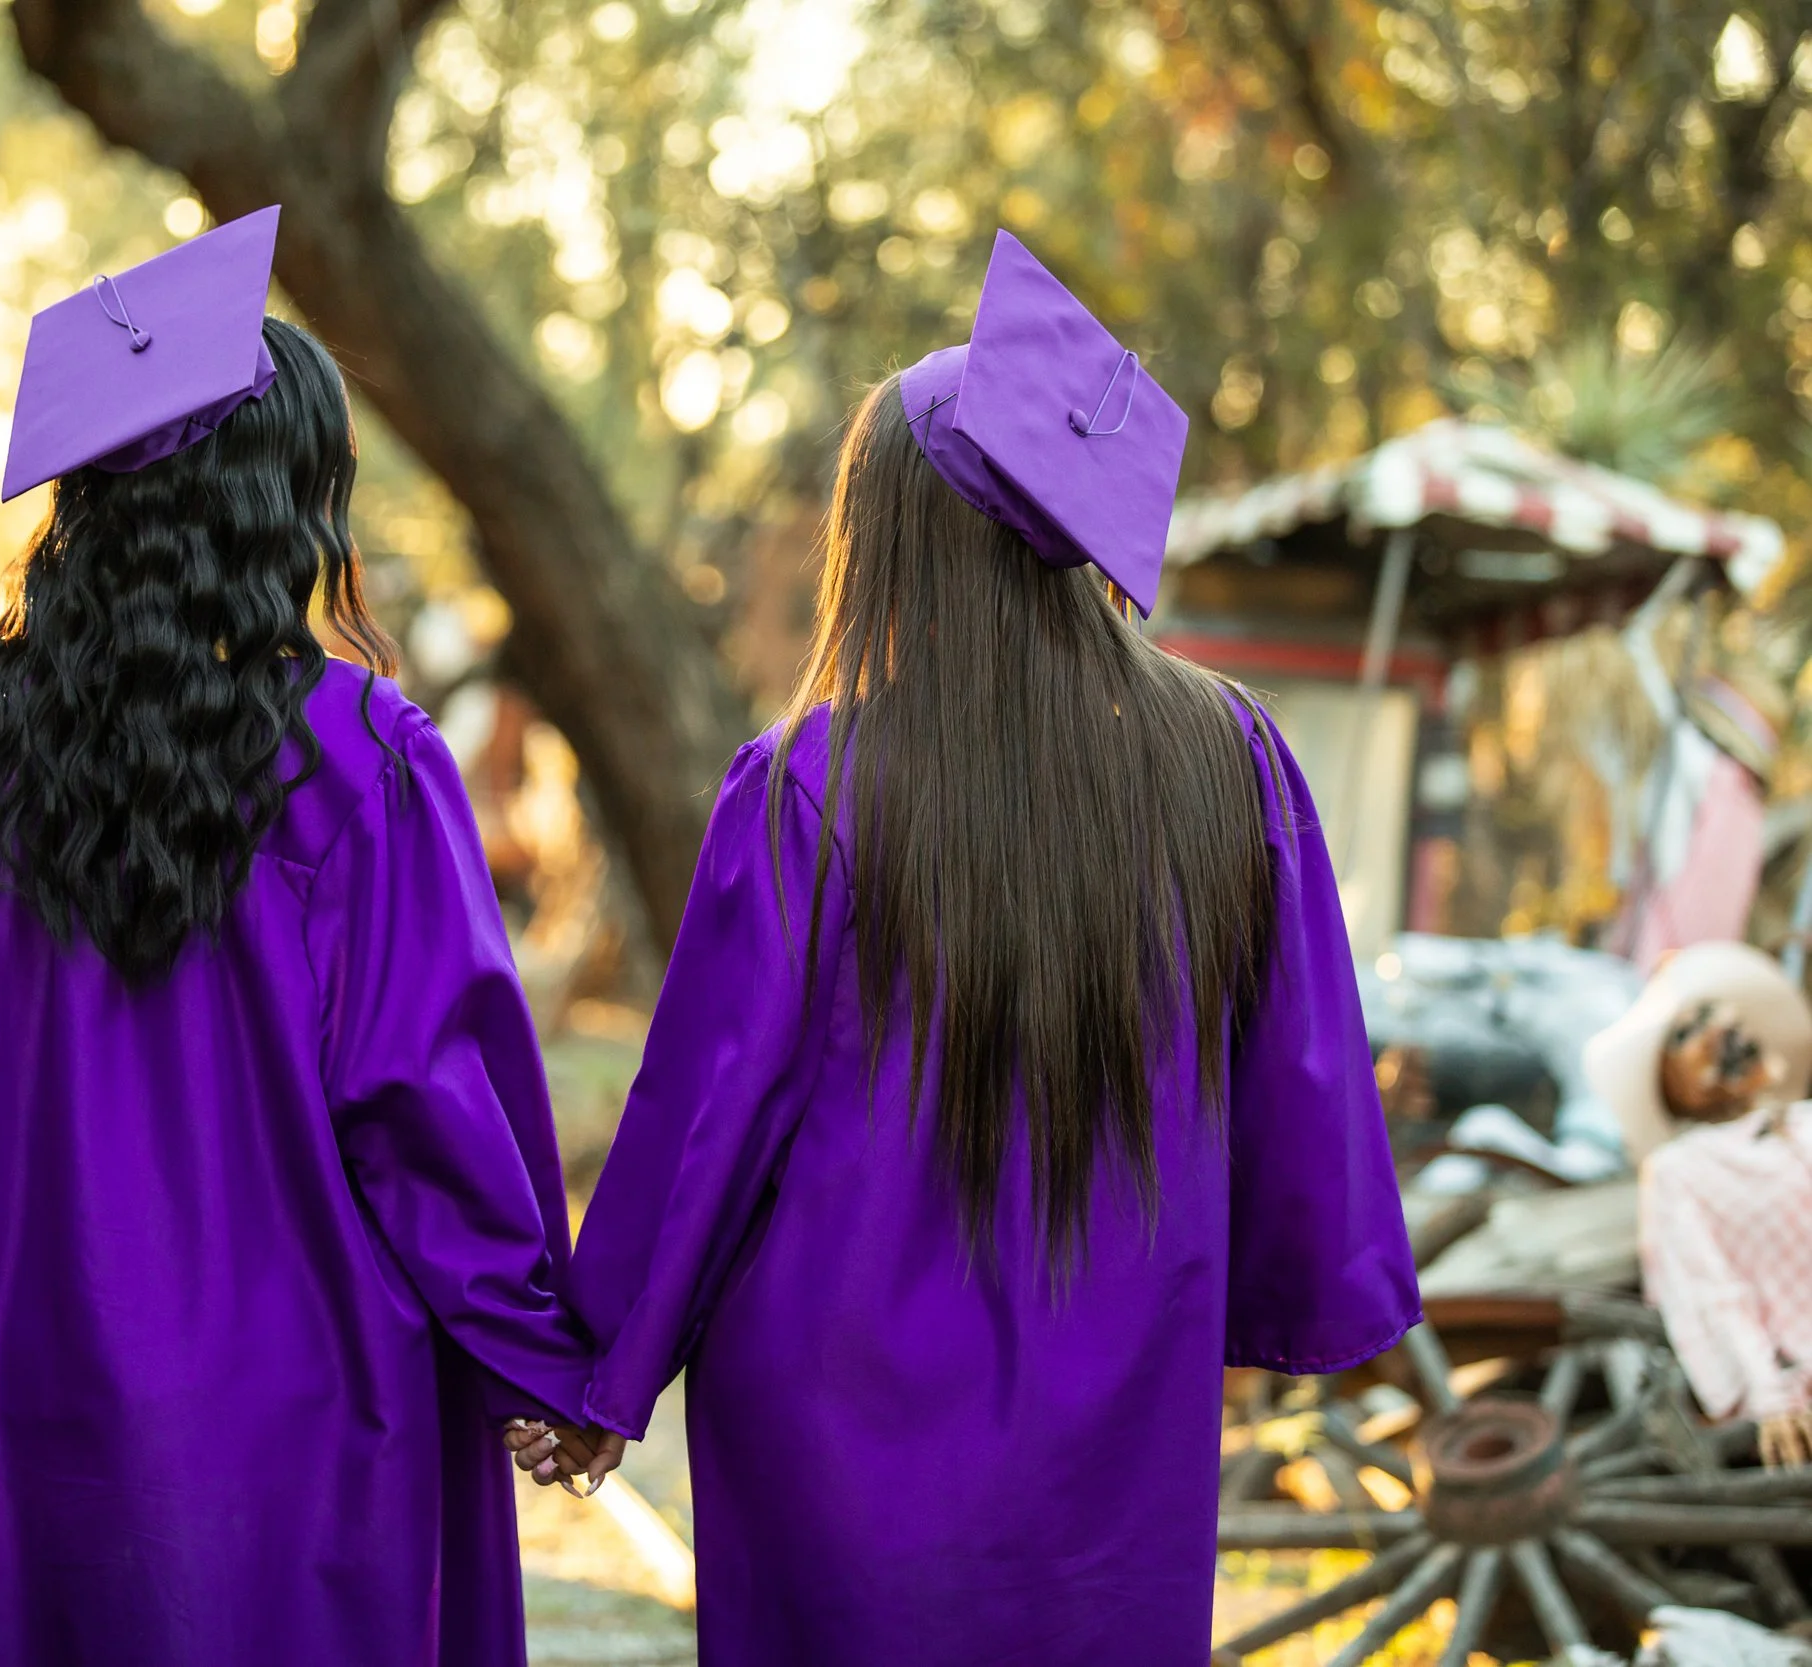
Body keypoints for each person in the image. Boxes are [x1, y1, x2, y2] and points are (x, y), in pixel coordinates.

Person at [512, 232, 1420, 1663]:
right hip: (1116, 1408)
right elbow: (1300, 1079)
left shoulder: (811, 784)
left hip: (835, 1427)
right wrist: (1281, 1299)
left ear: (889, 542)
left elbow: (710, 1114)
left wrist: (598, 1368)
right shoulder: (1232, 761)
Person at [0, 207, 592, 1666]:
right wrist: (541, 1349)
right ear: (274, 508)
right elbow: (425, 1100)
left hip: (28, 1360)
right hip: (307, 1402)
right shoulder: (362, 753)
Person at [1587, 942, 1812, 1470]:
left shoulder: (1803, 1123)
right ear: (1669, 1088)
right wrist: (1770, 1395)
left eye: (1711, 1013)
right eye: (1685, 1034)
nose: (1716, 1031)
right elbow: (1710, 1290)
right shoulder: (1681, 1170)